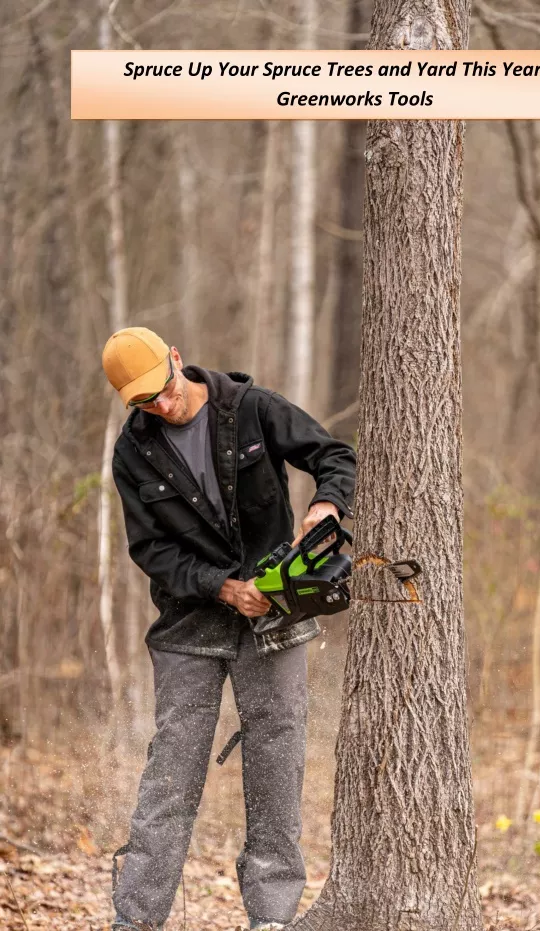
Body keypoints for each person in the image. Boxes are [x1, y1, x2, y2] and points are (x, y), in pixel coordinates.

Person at [102, 327, 356, 931]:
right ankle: (136, 920)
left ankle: (271, 918)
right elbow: (152, 550)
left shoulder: (251, 409)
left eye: (162, 391)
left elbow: (334, 456)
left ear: (178, 362)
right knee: (171, 776)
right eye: (143, 402)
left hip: (276, 617)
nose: (160, 407)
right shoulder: (132, 453)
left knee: (277, 766)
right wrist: (220, 586)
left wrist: (328, 505)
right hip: (189, 623)